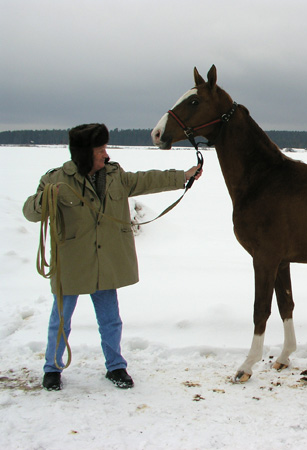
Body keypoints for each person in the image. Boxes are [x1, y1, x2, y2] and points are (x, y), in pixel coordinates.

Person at [23, 123, 202, 391]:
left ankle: (115, 366)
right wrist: (46, 199)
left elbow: (146, 179)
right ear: (84, 153)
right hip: (71, 263)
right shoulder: (55, 180)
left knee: (111, 320)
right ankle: (52, 368)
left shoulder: (115, 175)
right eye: (100, 150)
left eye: (105, 149)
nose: (105, 155)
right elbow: (30, 212)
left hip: (105, 263)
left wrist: (183, 176)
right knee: (60, 321)